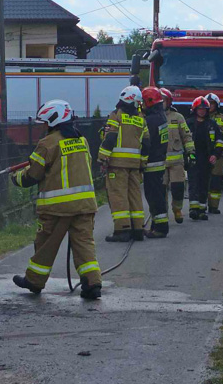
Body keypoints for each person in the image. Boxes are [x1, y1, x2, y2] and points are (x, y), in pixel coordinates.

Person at [11, 100, 102, 299]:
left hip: (56, 208)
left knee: (45, 245)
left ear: (53, 120)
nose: (43, 127)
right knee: (84, 245)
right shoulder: (82, 140)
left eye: (45, 123)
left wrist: (16, 178)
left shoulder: (47, 143)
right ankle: (92, 283)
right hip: (85, 206)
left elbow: (33, 175)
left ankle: (34, 281)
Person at [98, 86, 149, 242]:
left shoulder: (116, 116)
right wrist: (143, 162)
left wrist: (102, 158)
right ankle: (138, 229)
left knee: (118, 195)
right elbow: (146, 143)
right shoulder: (141, 119)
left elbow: (110, 138)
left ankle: (122, 230)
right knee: (134, 195)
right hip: (135, 165)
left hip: (117, 165)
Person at [185, 97, 223, 221]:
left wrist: (215, 155)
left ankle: (202, 210)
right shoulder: (189, 123)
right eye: (200, 109)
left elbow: (219, 141)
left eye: (204, 109)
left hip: (207, 158)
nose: (202, 111)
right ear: (195, 109)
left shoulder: (212, 124)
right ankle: (193, 209)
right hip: (192, 157)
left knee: (204, 184)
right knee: (193, 182)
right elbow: (183, 140)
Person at [160, 88, 195, 223]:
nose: (161, 103)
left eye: (164, 100)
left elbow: (187, 136)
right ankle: (162, 213)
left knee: (178, 188)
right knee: (161, 190)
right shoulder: (153, 118)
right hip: (160, 162)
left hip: (177, 162)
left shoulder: (178, 117)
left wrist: (191, 153)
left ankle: (177, 210)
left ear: (169, 102)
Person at [141, 87, 170, 238]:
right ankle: (156, 226)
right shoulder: (161, 117)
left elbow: (146, 141)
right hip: (159, 162)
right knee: (158, 196)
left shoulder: (151, 121)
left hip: (152, 164)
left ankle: (160, 228)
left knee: (154, 197)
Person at [205, 93, 223, 215]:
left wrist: (220, 139)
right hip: (204, 153)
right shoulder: (201, 117)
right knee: (203, 180)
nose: (210, 106)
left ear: (217, 105)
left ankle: (213, 206)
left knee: (216, 179)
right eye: (208, 103)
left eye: (212, 104)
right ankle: (201, 205)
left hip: (219, 154)